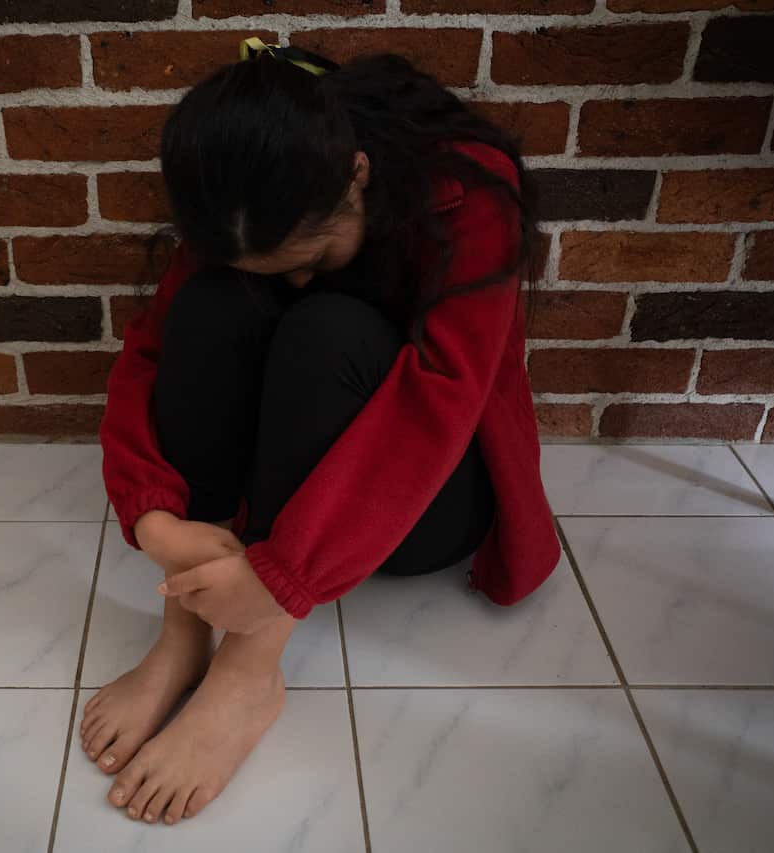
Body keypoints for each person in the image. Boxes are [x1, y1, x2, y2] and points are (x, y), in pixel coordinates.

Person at [81, 39, 561, 826]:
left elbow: (441, 398)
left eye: (311, 255)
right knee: (209, 304)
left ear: (358, 176)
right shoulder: (247, 188)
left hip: (423, 499)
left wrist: (280, 577)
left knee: (325, 326)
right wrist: (153, 516)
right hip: (300, 490)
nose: (300, 276)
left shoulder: (468, 190)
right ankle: (186, 630)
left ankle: (249, 668)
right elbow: (153, 350)